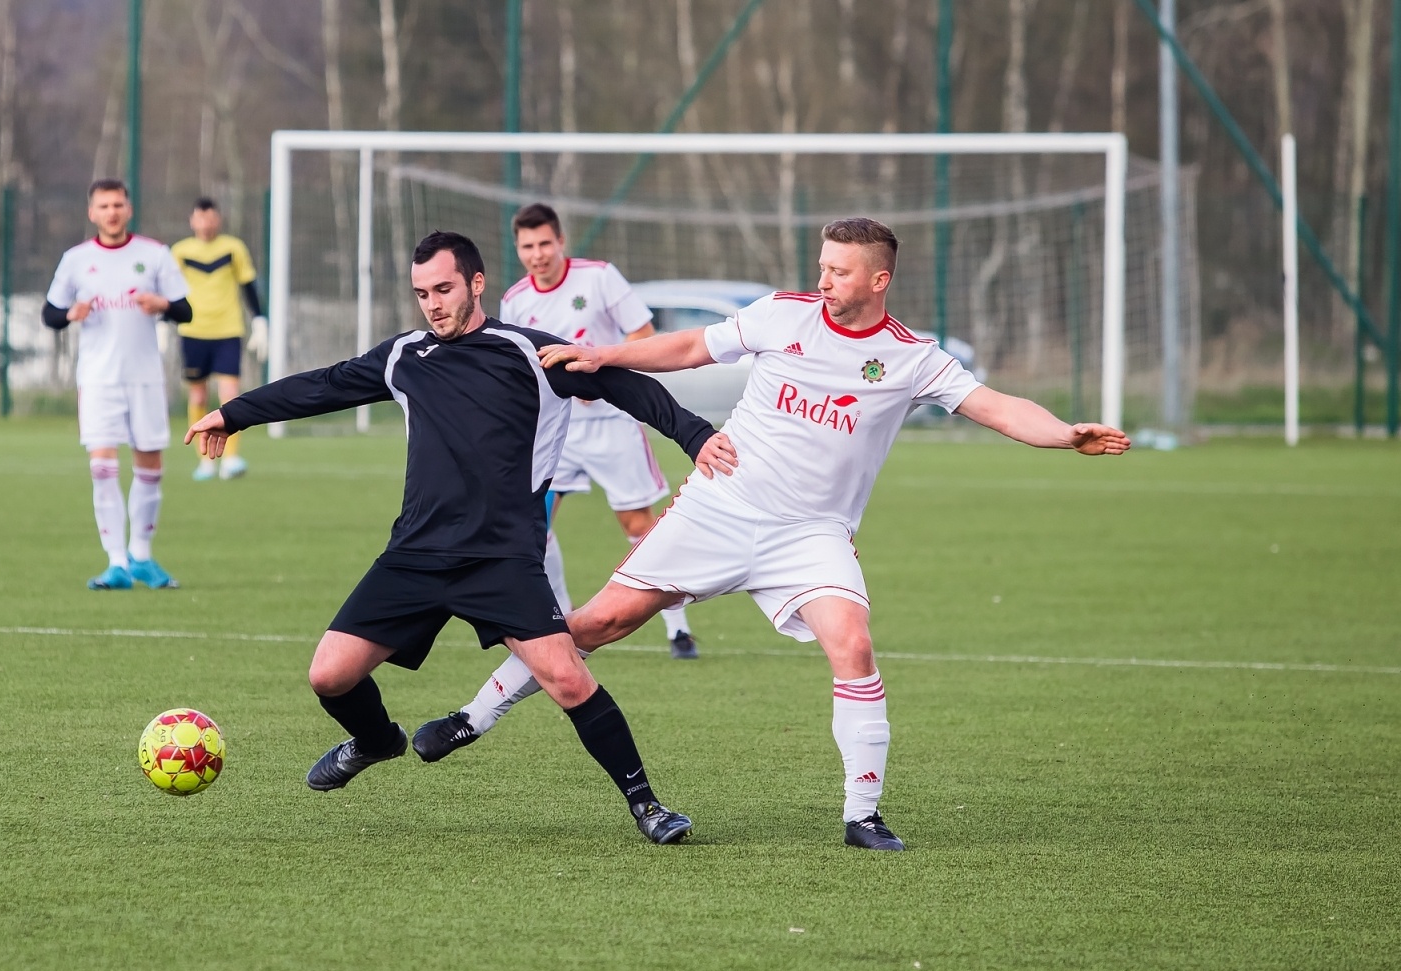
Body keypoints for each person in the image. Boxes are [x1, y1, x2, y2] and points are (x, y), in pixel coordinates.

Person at [412, 217, 1130, 850]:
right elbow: (691, 347)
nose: (824, 280)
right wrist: (606, 356)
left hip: (811, 535)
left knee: (853, 644)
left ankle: (863, 815)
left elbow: (996, 405)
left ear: (879, 280)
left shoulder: (912, 356)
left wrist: (1066, 434)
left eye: (839, 271)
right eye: (822, 266)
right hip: (720, 507)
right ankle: (474, 715)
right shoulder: (784, 314)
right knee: (597, 623)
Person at [184, 231, 740, 844]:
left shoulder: (529, 353)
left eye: (443, 289)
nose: (433, 303)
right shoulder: (404, 356)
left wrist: (693, 435)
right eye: (422, 293)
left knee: (567, 679)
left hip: (501, 558)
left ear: (476, 283)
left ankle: (648, 807)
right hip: (414, 555)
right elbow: (324, 384)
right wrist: (233, 413)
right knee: (329, 676)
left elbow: (623, 385)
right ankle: (376, 740)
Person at [502, 203, 699, 659]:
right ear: (518, 249)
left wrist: (600, 371)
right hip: (554, 429)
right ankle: (560, 623)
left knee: (637, 525)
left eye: (545, 243)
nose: (537, 254)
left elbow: (643, 333)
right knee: (533, 524)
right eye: (528, 246)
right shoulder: (514, 299)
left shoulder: (598, 277)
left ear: (561, 241)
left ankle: (678, 630)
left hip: (612, 422)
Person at [43, 178, 192, 591]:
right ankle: (116, 563)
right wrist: (71, 313)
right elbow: (50, 314)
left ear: (129, 209)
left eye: (118, 205)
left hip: (144, 378)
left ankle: (141, 555)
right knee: (103, 468)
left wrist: (162, 304)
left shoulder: (154, 254)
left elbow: (185, 310)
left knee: (150, 466)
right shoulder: (76, 260)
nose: (112, 212)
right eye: (104, 206)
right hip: (98, 379)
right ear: (92, 212)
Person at [171, 197, 267, 481]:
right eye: (201, 218)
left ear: (219, 219)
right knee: (198, 394)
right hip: (193, 331)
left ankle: (231, 457)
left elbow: (248, 285)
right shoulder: (181, 251)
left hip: (227, 330)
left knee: (230, 394)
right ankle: (205, 461)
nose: (207, 223)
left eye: (211, 217)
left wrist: (260, 320)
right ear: (192, 221)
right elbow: (170, 292)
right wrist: (163, 325)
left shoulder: (233, 248)